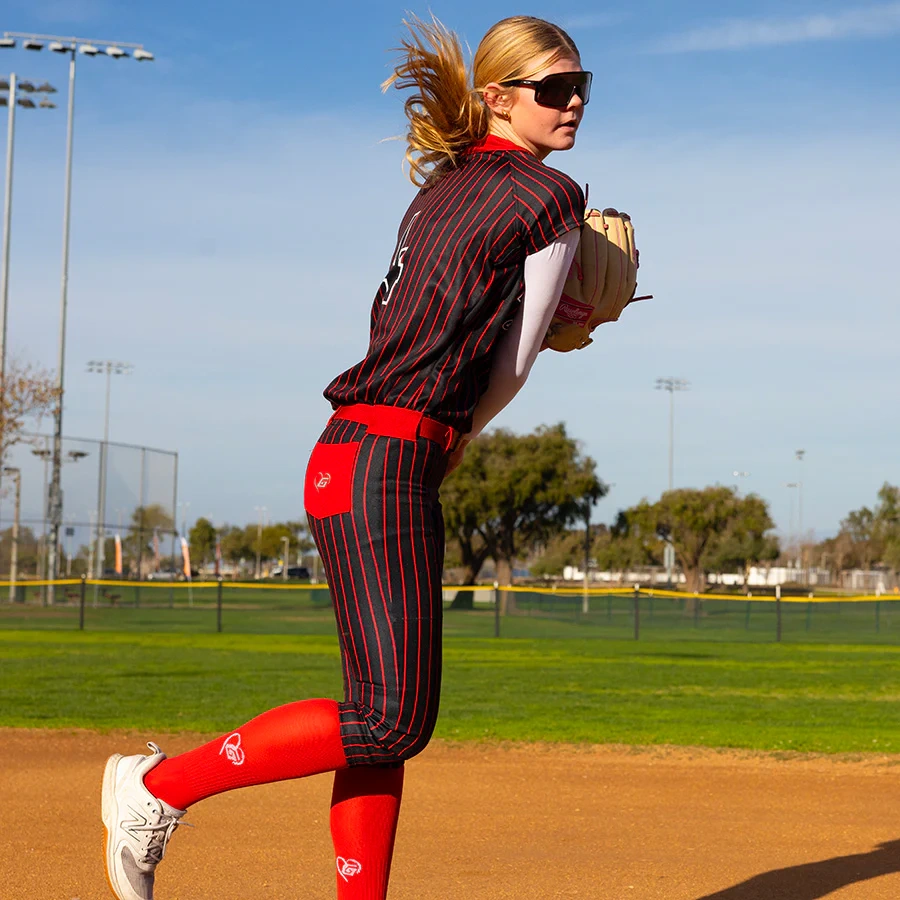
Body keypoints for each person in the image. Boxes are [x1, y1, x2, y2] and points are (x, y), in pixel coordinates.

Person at [102, 14, 591, 900]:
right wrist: (564, 329)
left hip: (344, 458)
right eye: (554, 89)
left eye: (580, 85)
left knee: (376, 719)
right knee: (391, 717)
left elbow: (443, 319)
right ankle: (157, 790)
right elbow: (511, 367)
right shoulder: (549, 196)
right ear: (499, 97)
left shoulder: (441, 189)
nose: (575, 103)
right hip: (394, 460)